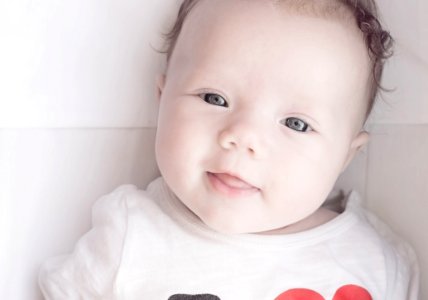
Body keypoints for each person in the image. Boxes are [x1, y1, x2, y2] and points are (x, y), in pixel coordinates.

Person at [39, 0, 419, 299]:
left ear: (345, 156)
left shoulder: (377, 261)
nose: (242, 137)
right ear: (162, 100)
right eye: (214, 98)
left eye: (296, 124)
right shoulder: (131, 237)